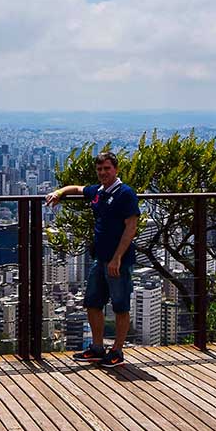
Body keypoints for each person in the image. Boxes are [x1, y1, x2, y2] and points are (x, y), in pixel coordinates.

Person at [45, 150, 140, 367]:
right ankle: (97, 348)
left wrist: (117, 258)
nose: (103, 172)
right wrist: (59, 192)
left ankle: (116, 351)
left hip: (119, 260)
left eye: (107, 168)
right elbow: (78, 189)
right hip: (99, 259)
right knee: (92, 302)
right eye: (99, 169)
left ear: (116, 169)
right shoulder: (98, 191)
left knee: (120, 306)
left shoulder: (125, 193)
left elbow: (131, 227)